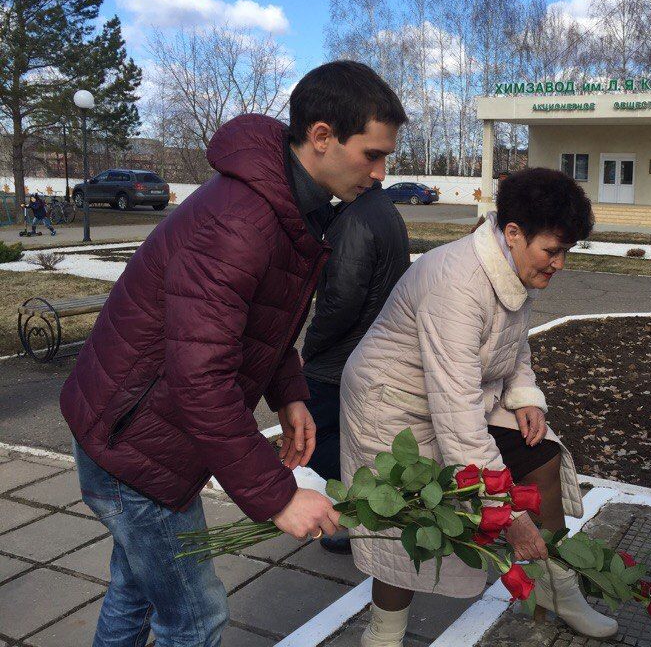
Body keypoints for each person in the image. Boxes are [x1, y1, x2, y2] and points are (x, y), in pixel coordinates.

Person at [59, 60, 407, 647]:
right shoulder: (241, 220)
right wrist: (277, 496)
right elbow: (200, 377)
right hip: (132, 448)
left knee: (136, 590)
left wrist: (290, 393)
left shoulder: (291, 204)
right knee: (195, 618)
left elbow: (260, 325)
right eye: (371, 154)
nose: (379, 173)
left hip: (138, 435)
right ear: (321, 137)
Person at [340, 168, 617, 647]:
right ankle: (383, 635)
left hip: (456, 394)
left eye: (565, 252)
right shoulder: (457, 283)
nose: (559, 264)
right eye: (552, 251)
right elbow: (457, 415)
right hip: (393, 405)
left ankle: (556, 586)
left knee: (542, 456)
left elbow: (513, 345)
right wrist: (506, 513)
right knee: (408, 521)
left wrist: (526, 396)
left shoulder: (510, 265)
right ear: (513, 233)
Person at [300, 180, 410, 553]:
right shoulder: (378, 209)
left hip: (339, 357)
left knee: (310, 440)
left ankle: (373, 509)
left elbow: (340, 302)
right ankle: (369, 512)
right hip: (366, 350)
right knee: (350, 438)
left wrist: (310, 346)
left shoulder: (357, 220)